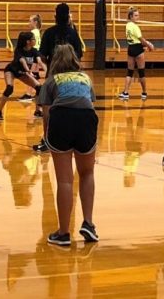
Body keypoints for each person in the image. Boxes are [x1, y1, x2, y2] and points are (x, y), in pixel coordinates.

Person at [39, 44, 99, 246]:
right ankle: (88, 224)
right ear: (74, 59)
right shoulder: (85, 78)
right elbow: (89, 103)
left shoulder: (51, 81)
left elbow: (47, 114)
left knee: (65, 181)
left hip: (62, 119)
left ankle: (64, 233)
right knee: (87, 173)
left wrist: (47, 137)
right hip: (87, 120)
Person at [33, 3, 84, 148]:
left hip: (53, 76)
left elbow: (42, 56)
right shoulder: (73, 33)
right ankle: (71, 139)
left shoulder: (48, 33)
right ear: (68, 17)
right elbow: (79, 55)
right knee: (72, 107)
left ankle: (47, 140)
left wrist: (52, 62)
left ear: (55, 17)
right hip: (71, 77)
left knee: (48, 108)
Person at [0, 31, 43, 121]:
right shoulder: (19, 50)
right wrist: (28, 71)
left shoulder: (34, 51)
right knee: (9, 88)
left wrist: (46, 69)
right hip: (12, 71)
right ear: (28, 41)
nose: (35, 40)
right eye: (33, 39)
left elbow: (40, 61)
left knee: (39, 88)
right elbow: (22, 61)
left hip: (23, 73)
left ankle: (38, 111)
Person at [120, 7, 154, 101]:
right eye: (135, 15)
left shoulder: (127, 25)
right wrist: (149, 45)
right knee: (141, 72)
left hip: (131, 48)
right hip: (138, 49)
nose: (137, 17)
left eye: (138, 15)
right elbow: (141, 39)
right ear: (131, 16)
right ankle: (144, 93)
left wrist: (145, 45)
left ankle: (125, 92)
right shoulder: (135, 27)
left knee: (129, 72)